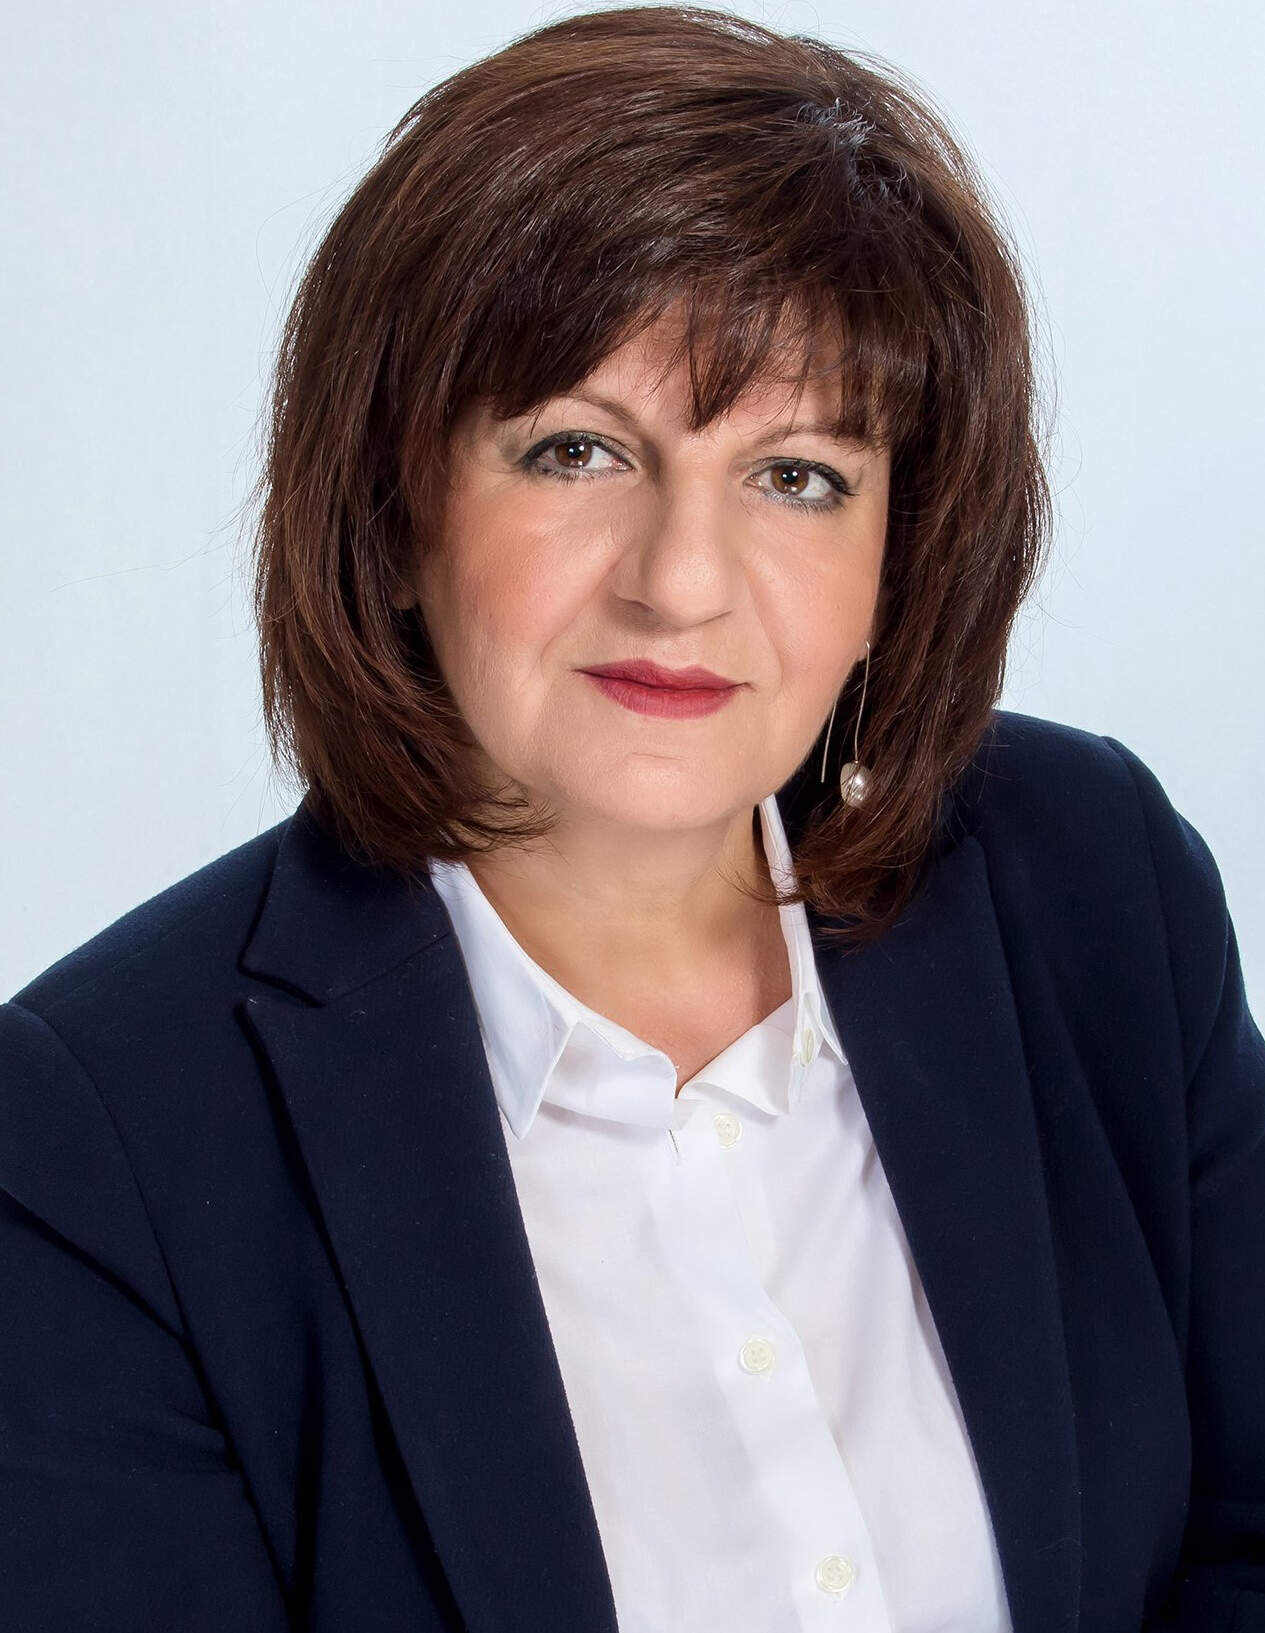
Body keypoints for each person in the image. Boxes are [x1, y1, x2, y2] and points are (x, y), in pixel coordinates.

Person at [1, 4, 1261, 1629]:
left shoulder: (1089, 884)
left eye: (797, 475)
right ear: (393, 511)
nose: (680, 582)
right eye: (577, 449)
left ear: (901, 556)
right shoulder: (100, 1137)